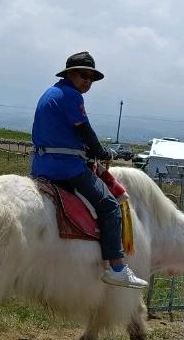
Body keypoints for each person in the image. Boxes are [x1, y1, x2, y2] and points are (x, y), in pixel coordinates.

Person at [30, 51, 147, 288]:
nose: (88, 81)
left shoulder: (51, 94)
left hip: (41, 164)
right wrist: (101, 153)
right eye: (83, 75)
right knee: (109, 205)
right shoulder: (72, 96)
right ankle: (116, 266)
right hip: (65, 168)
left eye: (91, 78)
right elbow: (84, 130)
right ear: (70, 74)